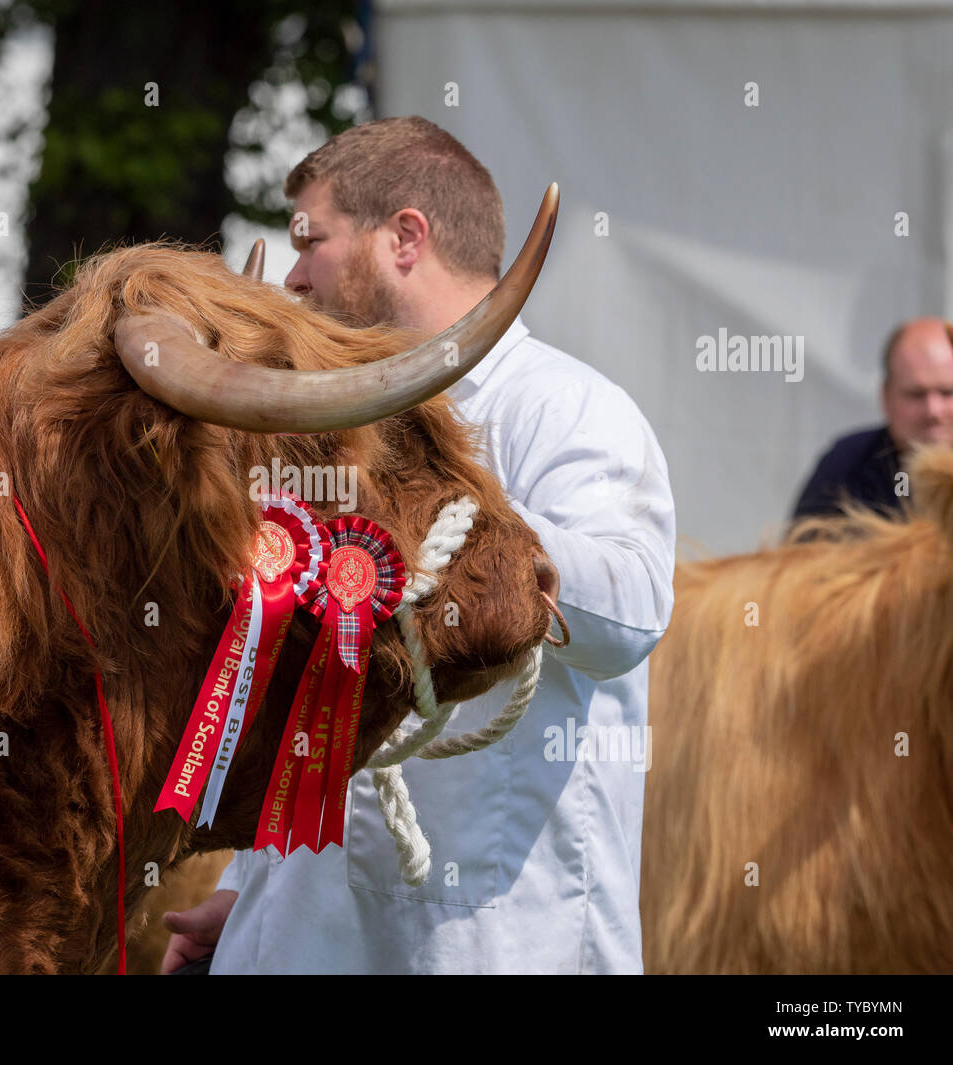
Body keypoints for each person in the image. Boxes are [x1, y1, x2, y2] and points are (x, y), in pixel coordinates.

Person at [163, 116, 676, 974]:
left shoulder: (564, 404)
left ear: (405, 237)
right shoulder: (332, 423)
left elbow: (632, 612)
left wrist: (475, 533)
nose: (290, 275)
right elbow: (311, 702)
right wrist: (249, 893)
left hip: (500, 940)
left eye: (311, 241)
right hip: (304, 935)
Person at [791, 318, 953, 520]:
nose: (933, 411)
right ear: (886, 397)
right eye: (916, 394)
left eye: (947, 392)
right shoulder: (847, 467)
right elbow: (802, 547)